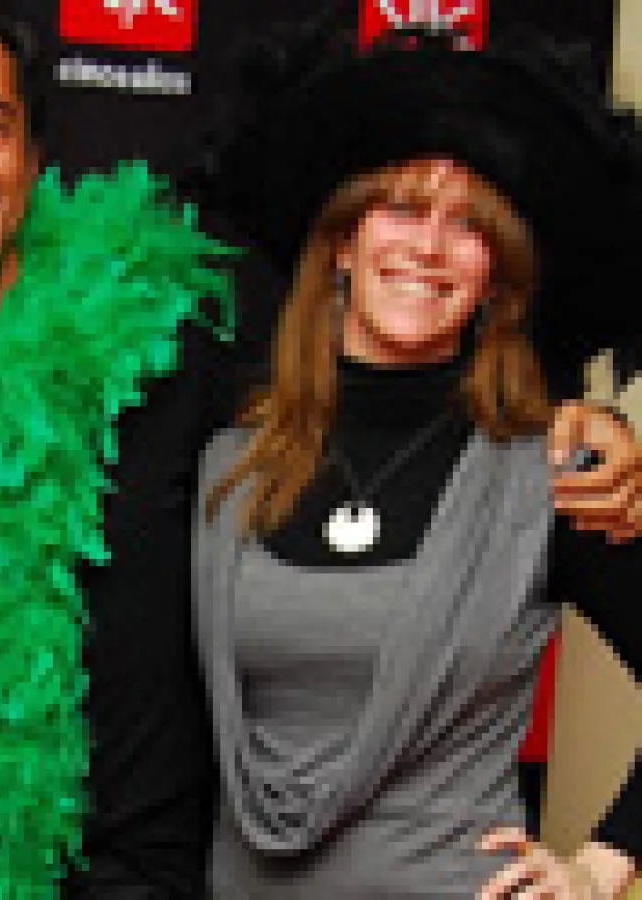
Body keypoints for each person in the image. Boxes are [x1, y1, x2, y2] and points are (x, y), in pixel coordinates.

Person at [0, 2, 642, 897]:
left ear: (31, 157)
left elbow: (384, 372)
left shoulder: (174, 340)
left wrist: (575, 425)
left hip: (145, 880)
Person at [192, 25, 642, 898]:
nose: (429, 248)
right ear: (341, 245)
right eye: (401, 209)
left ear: (496, 277)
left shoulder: (551, 473)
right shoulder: (228, 467)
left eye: (468, 226)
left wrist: (598, 867)